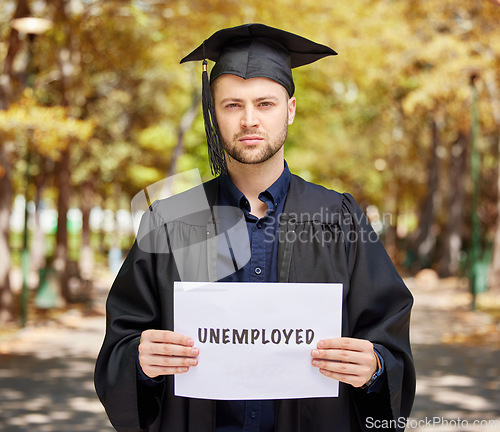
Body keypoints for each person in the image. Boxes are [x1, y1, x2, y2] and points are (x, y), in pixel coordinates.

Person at [95, 23, 415, 432]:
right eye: (232, 105)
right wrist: (139, 361)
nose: (249, 119)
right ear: (213, 112)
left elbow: (389, 346)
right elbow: (119, 347)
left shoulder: (337, 217)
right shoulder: (173, 221)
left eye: (265, 104)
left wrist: (373, 368)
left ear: (291, 110)